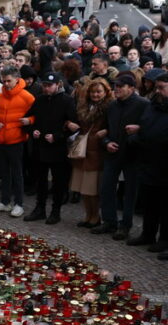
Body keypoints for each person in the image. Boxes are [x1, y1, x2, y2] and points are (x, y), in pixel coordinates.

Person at [94, 72, 149, 238]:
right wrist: (106, 143)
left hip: (133, 154)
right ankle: (109, 222)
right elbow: (104, 130)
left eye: (120, 86)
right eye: (115, 86)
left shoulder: (143, 104)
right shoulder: (112, 105)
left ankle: (125, 225)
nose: (116, 89)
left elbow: (148, 128)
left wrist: (137, 133)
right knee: (106, 187)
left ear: (131, 88)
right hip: (113, 152)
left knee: (130, 192)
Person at [23, 72, 77, 224]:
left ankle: (56, 211)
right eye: (44, 85)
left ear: (58, 85)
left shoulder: (67, 101)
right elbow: (28, 119)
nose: (46, 88)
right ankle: (39, 208)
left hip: (58, 148)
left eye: (49, 85)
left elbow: (73, 124)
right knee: (40, 180)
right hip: (40, 147)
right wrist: (33, 130)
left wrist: (57, 136)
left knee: (58, 182)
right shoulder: (39, 100)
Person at [0, 66, 36, 217]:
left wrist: (29, 120)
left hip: (16, 140)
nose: (6, 84)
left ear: (17, 79)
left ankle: (19, 203)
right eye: (4, 81)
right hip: (0, 140)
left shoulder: (27, 97)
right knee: (4, 173)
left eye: (9, 81)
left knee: (17, 173)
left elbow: (38, 115)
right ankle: (5, 201)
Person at [126, 70, 168, 255]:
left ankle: (164, 238)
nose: (158, 91)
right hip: (148, 160)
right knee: (149, 202)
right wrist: (139, 133)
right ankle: (148, 233)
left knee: (164, 205)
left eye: (162, 88)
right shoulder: (153, 105)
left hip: (164, 163)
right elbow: (146, 125)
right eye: (157, 87)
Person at [69, 78, 111, 228]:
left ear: (106, 92)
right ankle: (88, 215)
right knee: (83, 188)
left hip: (96, 150)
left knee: (93, 188)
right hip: (83, 150)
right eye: (93, 92)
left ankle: (95, 216)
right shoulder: (84, 106)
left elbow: (112, 126)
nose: (95, 94)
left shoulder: (108, 108)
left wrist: (106, 131)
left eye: (99, 91)